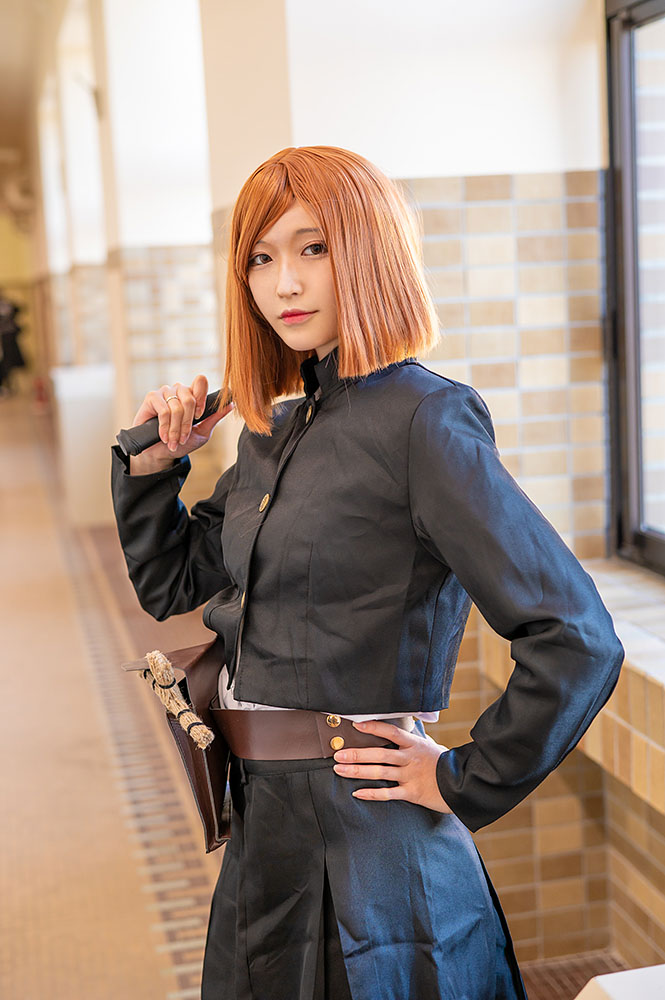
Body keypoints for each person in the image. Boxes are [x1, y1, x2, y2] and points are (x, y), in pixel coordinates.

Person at [111, 146, 624, 1000]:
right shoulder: (272, 429)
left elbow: (574, 637)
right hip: (261, 824)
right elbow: (173, 585)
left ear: (368, 251)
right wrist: (153, 467)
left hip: (370, 838)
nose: (284, 283)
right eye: (260, 259)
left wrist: (464, 777)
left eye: (312, 248)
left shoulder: (425, 419)